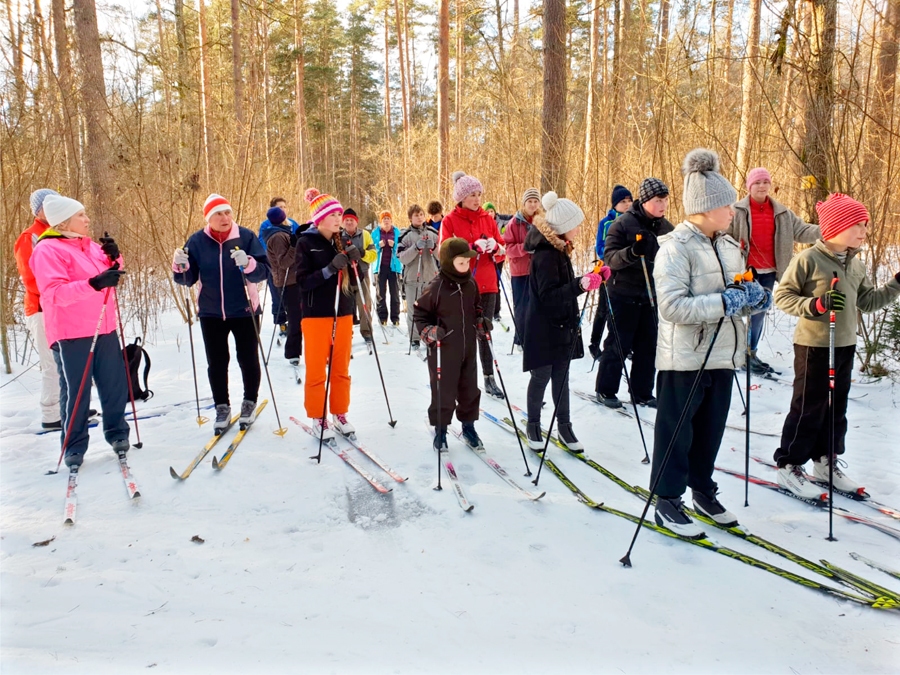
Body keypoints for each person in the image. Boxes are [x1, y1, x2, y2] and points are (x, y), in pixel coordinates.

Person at [651, 148, 771, 538]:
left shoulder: (728, 245)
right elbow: (671, 307)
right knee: (677, 431)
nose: (733, 211)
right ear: (705, 208)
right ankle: (667, 499)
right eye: (726, 206)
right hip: (685, 358)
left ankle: (702, 490)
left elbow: (738, 291)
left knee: (711, 430)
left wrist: (754, 297)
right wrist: (724, 302)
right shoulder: (675, 247)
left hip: (723, 353)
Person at [772, 193, 900, 498]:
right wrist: (816, 304)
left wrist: (896, 283)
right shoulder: (808, 260)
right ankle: (789, 464)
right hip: (814, 345)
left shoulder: (856, 265)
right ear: (836, 227)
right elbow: (783, 297)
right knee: (808, 406)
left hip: (844, 344)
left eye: (865, 225)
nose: (864, 231)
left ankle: (825, 461)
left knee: (836, 408)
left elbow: (868, 302)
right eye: (858, 225)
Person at [29, 195, 130, 469]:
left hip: (104, 326)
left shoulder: (90, 246)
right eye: (80, 215)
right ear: (64, 222)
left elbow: (112, 273)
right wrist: (93, 284)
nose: (87, 219)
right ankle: (73, 446)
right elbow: (54, 293)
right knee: (77, 391)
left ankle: (118, 433)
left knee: (114, 385)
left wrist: (114, 256)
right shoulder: (47, 250)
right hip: (72, 332)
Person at [173, 194, 270, 433]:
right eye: (218, 213)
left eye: (227, 212)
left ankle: (249, 402)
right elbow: (186, 279)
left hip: (245, 309)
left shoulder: (245, 237)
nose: (225, 217)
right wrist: (180, 265)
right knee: (216, 362)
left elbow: (264, 271)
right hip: (211, 311)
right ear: (208, 218)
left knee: (247, 359)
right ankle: (222, 407)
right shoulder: (197, 241)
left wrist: (248, 263)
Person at [522, 191, 610, 452]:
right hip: (543, 327)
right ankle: (533, 424)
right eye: (576, 225)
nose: (579, 229)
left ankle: (564, 426)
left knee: (562, 377)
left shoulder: (560, 250)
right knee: (541, 376)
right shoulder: (545, 255)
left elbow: (564, 287)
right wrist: (581, 284)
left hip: (562, 325)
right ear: (562, 227)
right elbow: (549, 296)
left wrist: (592, 276)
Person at [729, 168, 821, 374]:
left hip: (769, 272)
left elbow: (803, 231)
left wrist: (829, 230)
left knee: (758, 314)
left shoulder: (782, 212)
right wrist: (735, 247)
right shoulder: (737, 210)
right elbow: (723, 235)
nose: (762, 186)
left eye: (765, 182)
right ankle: (738, 355)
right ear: (749, 186)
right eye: (757, 183)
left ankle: (750, 354)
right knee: (737, 313)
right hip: (744, 272)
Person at [594, 177, 673, 409]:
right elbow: (610, 258)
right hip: (623, 293)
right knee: (619, 344)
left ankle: (642, 392)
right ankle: (605, 389)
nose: (663, 205)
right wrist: (632, 252)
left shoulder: (667, 228)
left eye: (665, 200)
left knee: (648, 345)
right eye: (658, 200)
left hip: (651, 295)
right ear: (646, 200)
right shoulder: (623, 224)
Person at [294, 188, 361, 439]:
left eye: (339, 214)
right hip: (316, 315)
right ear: (319, 218)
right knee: (316, 370)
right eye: (333, 214)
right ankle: (318, 416)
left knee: (340, 367)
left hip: (342, 312)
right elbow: (302, 282)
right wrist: (329, 269)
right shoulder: (305, 243)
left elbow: (356, 280)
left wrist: (355, 262)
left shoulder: (343, 241)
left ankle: (339, 413)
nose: (338, 219)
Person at [414, 237, 486, 451]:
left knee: (469, 389)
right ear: (448, 263)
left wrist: (481, 321)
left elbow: (477, 307)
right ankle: (441, 430)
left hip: (468, 347)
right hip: (443, 349)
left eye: (468, 262)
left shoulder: (471, 283)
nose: (466, 266)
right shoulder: (436, 287)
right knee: (443, 392)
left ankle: (469, 427)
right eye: (461, 262)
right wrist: (429, 331)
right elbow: (420, 313)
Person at [439, 171, 507, 399]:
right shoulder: (449, 221)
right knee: (463, 333)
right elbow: (444, 254)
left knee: (484, 330)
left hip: (487, 284)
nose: (477, 199)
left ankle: (489, 377)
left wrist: (495, 247)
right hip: (462, 285)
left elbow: (502, 249)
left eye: (479, 194)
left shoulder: (487, 218)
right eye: (472, 195)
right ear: (461, 198)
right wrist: (470, 248)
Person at [14, 188, 62, 430]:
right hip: (41, 308)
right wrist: (56, 294)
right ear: (39, 210)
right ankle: (51, 413)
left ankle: (69, 405)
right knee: (51, 362)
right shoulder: (30, 236)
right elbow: (30, 277)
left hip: (62, 308)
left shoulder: (61, 232)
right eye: (49, 204)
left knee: (67, 361)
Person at [588, 184, 633, 361]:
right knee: (604, 309)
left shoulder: (634, 221)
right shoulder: (606, 223)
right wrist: (612, 258)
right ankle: (594, 344)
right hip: (608, 271)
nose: (627, 204)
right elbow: (600, 247)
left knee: (624, 309)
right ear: (615, 204)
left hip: (627, 274)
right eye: (623, 201)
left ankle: (623, 345)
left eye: (629, 200)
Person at [263, 206, 303, 367]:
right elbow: (284, 262)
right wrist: (294, 246)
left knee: (298, 317)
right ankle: (293, 352)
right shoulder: (278, 236)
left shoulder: (281, 233)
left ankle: (294, 351)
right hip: (288, 282)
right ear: (282, 219)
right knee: (295, 318)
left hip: (292, 280)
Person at [503, 187, 541, 348]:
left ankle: (535, 337)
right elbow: (507, 248)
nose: (532, 205)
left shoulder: (542, 221)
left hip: (538, 271)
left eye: (535, 201)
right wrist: (525, 248)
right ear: (524, 203)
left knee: (537, 306)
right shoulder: (514, 222)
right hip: (520, 271)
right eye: (529, 201)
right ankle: (520, 339)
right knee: (522, 307)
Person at [398, 204, 439, 346]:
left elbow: (442, 256)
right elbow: (402, 258)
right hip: (412, 279)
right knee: (414, 310)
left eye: (421, 214)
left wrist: (434, 247)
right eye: (416, 215)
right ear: (410, 218)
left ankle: (431, 336)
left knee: (432, 310)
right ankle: (414, 338)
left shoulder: (433, 232)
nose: (419, 217)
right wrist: (415, 248)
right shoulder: (405, 235)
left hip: (431, 278)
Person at [258, 197, 300, 334]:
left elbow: (299, 237)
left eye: (284, 207)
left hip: (292, 269)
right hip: (275, 266)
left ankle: (294, 323)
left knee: (292, 300)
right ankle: (281, 321)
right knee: (278, 296)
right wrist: (272, 256)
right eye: (279, 207)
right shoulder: (266, 225)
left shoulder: (292, 223)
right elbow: (263, 243)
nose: (283, 209)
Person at [340, 208, 377, 347]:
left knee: (364, 305)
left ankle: (366, 332)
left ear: (356, 222)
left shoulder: (365, 235)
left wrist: (362, 253)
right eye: (346, 220)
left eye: (351, 220)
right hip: (345, 276)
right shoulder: (338, 235)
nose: (349, 222)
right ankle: (346, 333)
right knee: (345, 306)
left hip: (362, 274)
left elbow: (374, 255)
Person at [371, 211, 403, 327]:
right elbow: (371, 248)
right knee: (381, 294)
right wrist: (378, 246)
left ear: (391, 220)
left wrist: (394, 245)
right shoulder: (375, 232)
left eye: (388, 218)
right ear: (381, 221)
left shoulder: (397, 232)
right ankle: (382, 318)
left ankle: (395, 318)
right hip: (380, 267)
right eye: (384, 219)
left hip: (393, 267)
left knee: (394, 293)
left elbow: (401, 248)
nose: (386, 220)